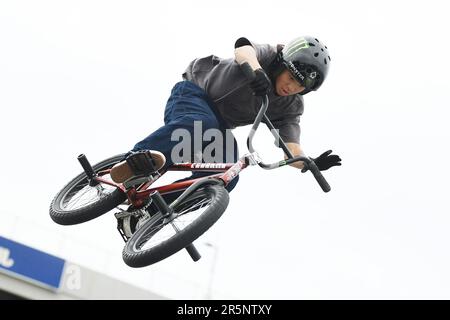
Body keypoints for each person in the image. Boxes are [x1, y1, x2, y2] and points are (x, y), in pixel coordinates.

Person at [110, 36, 342, 193]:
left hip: (217, 128)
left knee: (226, 176)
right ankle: (136, 159)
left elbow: (291, 146)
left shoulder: (291, 106)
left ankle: (152, 212)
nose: (291, 87)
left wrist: (308, 163)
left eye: (300, 86)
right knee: (200, 124)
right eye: (290, 78)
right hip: (194, 93)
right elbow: (243, 49)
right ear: (282, 64)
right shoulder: (269, 55)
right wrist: (256, 70)